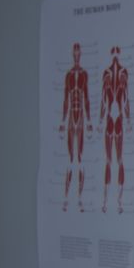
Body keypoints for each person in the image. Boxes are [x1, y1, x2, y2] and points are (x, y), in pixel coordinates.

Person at [99, 45, 131, 214]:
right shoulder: (107, 74)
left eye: (118, 53)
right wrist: (99, 120)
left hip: (118, 119)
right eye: (114, 53)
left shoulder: (123, 74)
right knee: (109, 161)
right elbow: (104, 98)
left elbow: (125, 98)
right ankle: (105, 200)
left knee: (118, 160)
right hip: (111, 119)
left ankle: (118, 201)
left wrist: (128, 119)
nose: (116, 57)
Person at [60, 42, 91, 212]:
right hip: (71, 116)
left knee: (80, 158)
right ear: (73, 55)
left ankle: (79, 198)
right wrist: (62, 121)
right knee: (70, 159)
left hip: (81, 120)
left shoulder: (84, 75)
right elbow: (66, 98)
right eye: (75, 53)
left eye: (79, 53)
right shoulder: (69, 75)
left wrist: (90, 121)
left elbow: (86, 98)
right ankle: (66, 198)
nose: (77, 56)